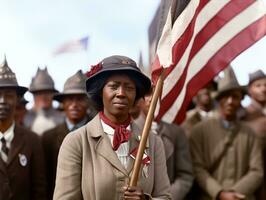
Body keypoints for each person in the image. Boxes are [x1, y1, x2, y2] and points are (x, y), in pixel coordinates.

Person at [53, 55, 171, 200]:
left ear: (136, 95)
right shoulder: (76, 142)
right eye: (114, 86)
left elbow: (165, 196)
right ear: (100, 91)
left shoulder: (153, 143)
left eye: (129, 88)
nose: (121, 93)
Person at [189, 67, 263, 200]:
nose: (230, 101)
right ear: (218, 99)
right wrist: (219, 193)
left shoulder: (250, 133)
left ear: (241, 100)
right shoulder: (199, 131)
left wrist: (234, 193)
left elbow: (257, 171)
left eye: (235, 96)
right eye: (225, 96)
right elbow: (197, 168)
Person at [42, 70, 96, 200]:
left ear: (88, 102)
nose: (74, 105)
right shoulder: (48, 137)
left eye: (80, 99)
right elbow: (45, 179)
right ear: (63, 103)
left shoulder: (99, 133)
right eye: (70, 99)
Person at [132, 88, 194, 200]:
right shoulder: (127, 131)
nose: (152, 98)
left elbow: (185, 176)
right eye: (147, 94)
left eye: (158, 93)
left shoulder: (176, 133)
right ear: (138, 101)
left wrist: (166, 197)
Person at [0, 58, 47, 199]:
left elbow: (39, 189)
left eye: (8, 96)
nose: (2, 101)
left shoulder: (33, 141)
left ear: (17, 100)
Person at [243, 69, 266, 200]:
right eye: (258, 86)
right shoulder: (243, 115)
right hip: (254, 179)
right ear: (250, 90)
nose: (263, 89)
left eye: (265, 85)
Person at [24, 67, 64, 135]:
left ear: (53, 94)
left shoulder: (63, 118)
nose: (43, 96)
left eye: (47, 92)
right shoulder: (24, 117)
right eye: (39, 93)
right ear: (33, 95)